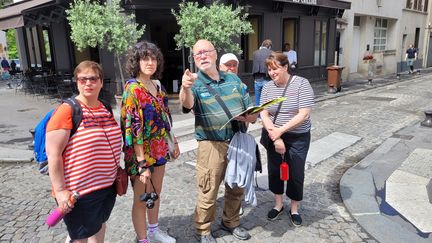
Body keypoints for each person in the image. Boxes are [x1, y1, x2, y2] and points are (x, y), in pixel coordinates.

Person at [180, 39, 257, 243]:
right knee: (209, 189)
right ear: (194, 60)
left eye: (206, 52)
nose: (203, 56)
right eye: (198, 54)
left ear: (215, 54)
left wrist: (249, 117)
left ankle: (231, 222)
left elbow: (252, 113)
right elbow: (187, 104)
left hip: (237, 142)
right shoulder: (194, 82)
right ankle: (203, 230)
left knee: (236, 185)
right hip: (211, 144)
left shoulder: (234, 81)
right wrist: (185, 88)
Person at [46, 60, 122, 242]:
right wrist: (61, 190)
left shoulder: (105, 107)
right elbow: (53, 154)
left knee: (99, 226)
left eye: (93, 79)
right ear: (77, 82)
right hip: (79, 192)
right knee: (80, 237)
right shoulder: (67, 110)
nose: (88, 83)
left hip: (106, 187)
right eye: (82, 79)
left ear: (101, 82)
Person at [121, 41, 179, 243]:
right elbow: (133, 130)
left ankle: (154, 231)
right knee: (141, 199)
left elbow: (165, 117)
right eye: (145, 58)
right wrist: (142, 163)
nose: (150, 62)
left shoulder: (157, 85)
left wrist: (173, 142)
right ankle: (143, 239)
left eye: (154, 58)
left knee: (155, 193)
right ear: (136, 62)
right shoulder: (132, 89)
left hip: (159, 149)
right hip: (141, 155)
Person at [260, 52, 314, 226]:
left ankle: (294, 208)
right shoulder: (268, 87)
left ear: (285, 67)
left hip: (298, 136)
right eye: (269, 69)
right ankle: (278, 204)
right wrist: (275, 137)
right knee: (275, 171)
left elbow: (304, 114)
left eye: (275, 69)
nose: (272, 73)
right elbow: (264, 113)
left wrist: (281, 131)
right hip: (273, 134)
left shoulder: (301, 84)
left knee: (296, 172)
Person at [252, 39, 272, 106]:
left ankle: (258, 114)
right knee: (267, 99)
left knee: (257, 98)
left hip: (257, 78)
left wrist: (254, 78)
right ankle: (265, 114)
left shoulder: (255, 53)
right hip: (267, 78)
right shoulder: (271, 53)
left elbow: (254, 66)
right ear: (269, 46)